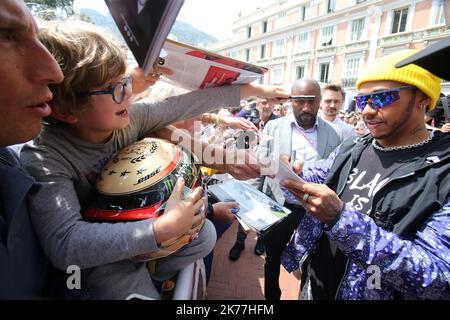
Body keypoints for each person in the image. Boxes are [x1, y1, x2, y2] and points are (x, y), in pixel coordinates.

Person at [19, 20, 289, 300]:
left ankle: (154, 274)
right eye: (115, 89)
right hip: (99, 261)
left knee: (205, 235)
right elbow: (66, 245)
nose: (129, 93)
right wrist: (160, 230)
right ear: (65, 110)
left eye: (125, 82)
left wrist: (258, 92)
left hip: (143, 238)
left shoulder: (129, 117)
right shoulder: (46, 157)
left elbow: (191, 103)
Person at [281, 49, 450, 299]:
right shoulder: (355, 146)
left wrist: (342, 219)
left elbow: (436, 278)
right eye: (362, 101)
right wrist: (286, 174)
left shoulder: (443, 171)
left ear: (422, 98)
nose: (367, 111)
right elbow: (311, 180)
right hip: (314, 287)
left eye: (381, 98)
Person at [0, 0, 64, 299]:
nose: (54, 72)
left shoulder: (10, 163)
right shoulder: (44, 163)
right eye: (4, 35)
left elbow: (61, 278)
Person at [257, 78, 342, 300]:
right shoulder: (273, 127)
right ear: (290, 101)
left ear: (319, 101)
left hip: (314, 210)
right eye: (299, 101)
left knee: (311, 260)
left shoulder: (334, 133)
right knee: (273, 256)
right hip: (279, 206)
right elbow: (259, 162)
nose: (306, 107)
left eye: (312, 101)